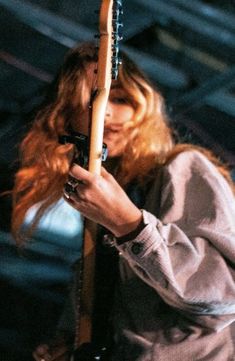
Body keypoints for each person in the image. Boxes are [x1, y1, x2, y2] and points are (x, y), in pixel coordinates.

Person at [11, 43, 235, 361]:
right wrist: (68, 344)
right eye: (91, 100)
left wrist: (129, 225)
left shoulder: (183, 167)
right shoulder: (93, 215)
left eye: (119, 97)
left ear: (142, 104)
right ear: (65, 118)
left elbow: (223, 294)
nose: (107, 112)